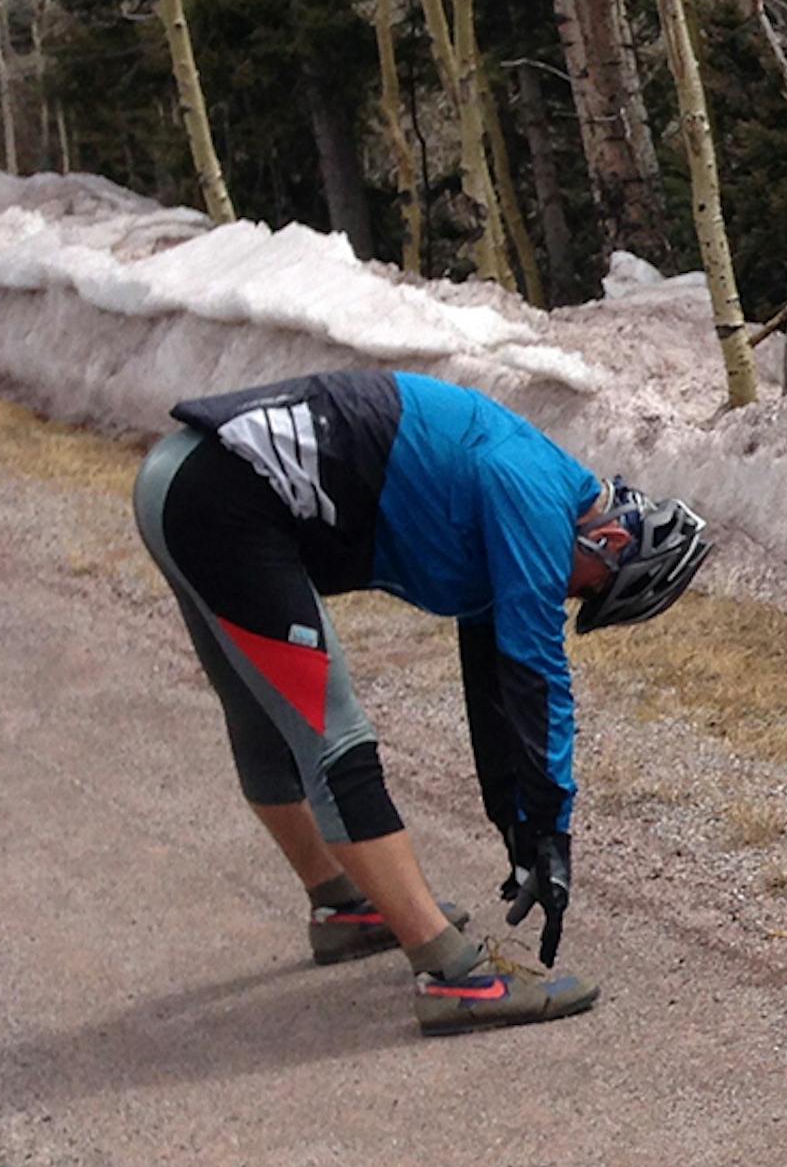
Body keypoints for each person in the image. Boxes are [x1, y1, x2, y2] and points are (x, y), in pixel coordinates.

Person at [130, 369, 712, 1034]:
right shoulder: (533, 494)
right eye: (586, 591)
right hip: (216, 500)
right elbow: (536, 674)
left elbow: (493, 685)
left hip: (177, 481)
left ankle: (342, 905)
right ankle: (451, 973)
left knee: (263, 719)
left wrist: (521, 822)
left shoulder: (531, 484)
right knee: (335, 736)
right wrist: (554, 831)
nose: (567, 595)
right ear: (609, 542)